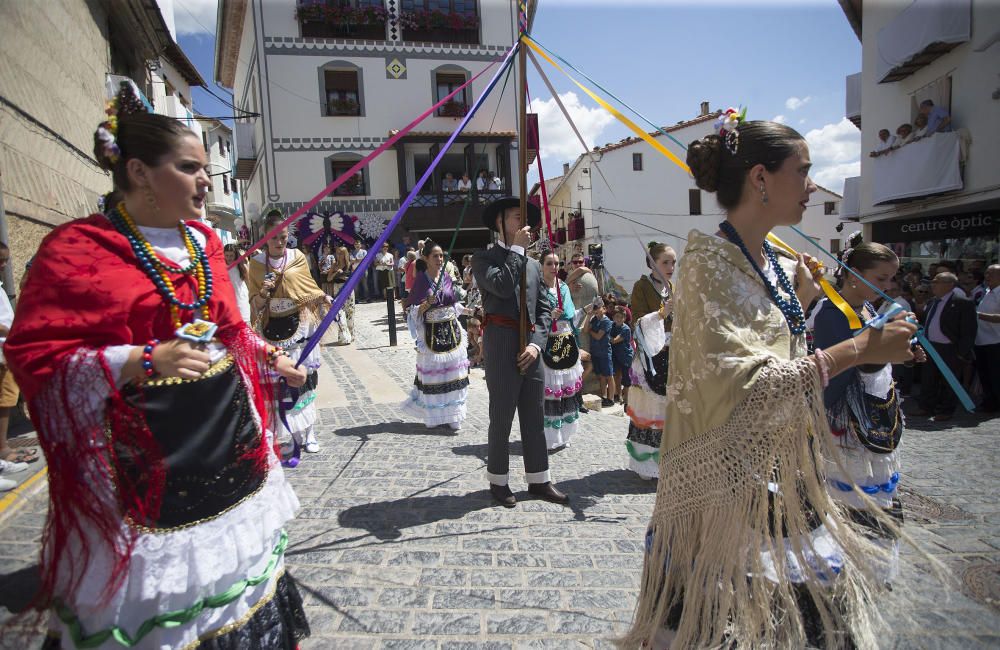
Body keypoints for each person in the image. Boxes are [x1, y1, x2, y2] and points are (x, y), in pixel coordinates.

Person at [5, 85, 310, 647]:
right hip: (139, 456)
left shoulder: (205, 245)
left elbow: (230, 329)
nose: (204, 180)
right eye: (189, 167)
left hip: (224, 435)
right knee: (162, 594)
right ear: (141, 172)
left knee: (234, 573)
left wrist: (274, 359)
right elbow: (36, 354)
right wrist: (142, 358)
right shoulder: (78, 251)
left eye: (204, 168)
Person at [624, 119, 917, 648]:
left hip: (788, 479)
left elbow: (773, 352)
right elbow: (742, 386)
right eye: (803, 172)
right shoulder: (706, 267)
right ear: (760, 177)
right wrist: (860, 350)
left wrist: (803, 302)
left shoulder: (776, 264)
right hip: (725, 494)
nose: (811, 186)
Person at [812, 242, 924, 586]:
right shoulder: (832, 311)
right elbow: (836, 371)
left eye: (891, 278)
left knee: (872, 496)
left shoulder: (867, 311)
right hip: (845, 424)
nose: (888, 285)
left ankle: (867, 567)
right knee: (849, 496)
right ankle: (849, 569)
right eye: (881, 277)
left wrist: (904, 352)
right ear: (857, 275)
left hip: (870, 419)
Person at [471, 196, 568, 508]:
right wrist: (516, 250)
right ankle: (498, 480)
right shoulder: (483, 260)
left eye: (525, 220)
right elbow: (500, 285)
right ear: (499, 223)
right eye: (516, 218)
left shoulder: (533, 266)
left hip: (530, 348)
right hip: (501, 345)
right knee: (501, 417)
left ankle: (539, 479)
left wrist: (536, 344)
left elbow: (544, 310)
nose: (524, 225)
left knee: (534, 417)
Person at [248, 211, 335, 455]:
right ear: (265, 238)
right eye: (275, 237)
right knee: (279, 385)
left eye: (284, 237)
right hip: (271, 326)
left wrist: (325, 299)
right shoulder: (255, 265)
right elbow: (253, 303)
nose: (280, 242)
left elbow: (309, 287)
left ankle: (309, 433)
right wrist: (263, 293)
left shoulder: (297, 257)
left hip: (300, 325)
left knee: (304, 380)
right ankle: (286, 435)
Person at [400, 240, 469, 431]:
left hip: (451, 332)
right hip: (432, 335)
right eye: (435, 256)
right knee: (436, 377)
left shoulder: (446, 276)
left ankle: (453, 415)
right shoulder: (421, 280)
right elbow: (413, 310)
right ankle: (435, 416)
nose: (440, 259)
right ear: (426, 258)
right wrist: (425, 304)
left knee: (453, 373)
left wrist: (472, 311)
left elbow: (453, 305)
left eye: (441, 256)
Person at [625, 241, 676, 481]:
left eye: (674, 262)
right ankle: (646, 461)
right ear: (653, 263)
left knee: (668, 410)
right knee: (650, 407)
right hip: (649, 357)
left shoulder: (673, 288)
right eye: (666, 262)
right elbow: (636, 322)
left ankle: (666, 459)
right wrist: (660, 315)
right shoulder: (641, 287)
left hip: (672, 355)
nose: (671, 266)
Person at [915, 272, 977, 422]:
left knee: (949, 381)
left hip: (950, 348)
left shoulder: (963, 302)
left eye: (937, 282)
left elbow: (969, 330)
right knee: (929, 378)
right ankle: (926, 406)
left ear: (949, 285)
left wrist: (962, 352)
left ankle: (946, 410)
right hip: (931, 346)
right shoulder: (932, 302)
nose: (933, 284)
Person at [540, 251, 583, 451]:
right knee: (552, 391)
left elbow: (571, 317)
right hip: (548, 343)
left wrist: (587, 311)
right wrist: (549, 316)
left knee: (567, 390)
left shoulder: (564, 287)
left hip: (567, 341)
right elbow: (533, 318)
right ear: (542, 266)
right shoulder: (537, 290)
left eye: (557, 263)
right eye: (549, 263)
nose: (554, 267)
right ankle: (549, 437)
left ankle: (565, 433)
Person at [974, 265, 1000, 413]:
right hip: (981, 341)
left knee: (995, 375)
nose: (987, 276)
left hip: (996, 341)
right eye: (986, 273)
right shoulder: (987, 292)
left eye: (992, 274)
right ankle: (989, 401)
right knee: (985, 374)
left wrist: (978, 315)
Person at [588, 300, 615, 407]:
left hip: (604, 352)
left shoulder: (607, 321)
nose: (595, 310)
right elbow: (586, 329)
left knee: (609, 375)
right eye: (594, 308)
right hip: (595, 352)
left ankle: (611, 398)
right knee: (601, 376)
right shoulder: (594, 319)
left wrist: (590, 331)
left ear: (603, 308)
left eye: (597, 308)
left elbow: (598, 336)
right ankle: (604, 396)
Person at [331, 243, 355, 344]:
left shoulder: (350, 265)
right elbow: (329, 278)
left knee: (350, 312)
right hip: (337, 289)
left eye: (341, 253)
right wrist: (337, 273)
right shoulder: (335, 265)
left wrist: (346, 278)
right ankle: (342, 337)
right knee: (339, 313)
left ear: (345, 254)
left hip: (348, 289)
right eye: (338, 253)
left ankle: (351, 334)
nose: (339, 255)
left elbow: (354, 278)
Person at [610, 307, 633, 406]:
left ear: (624, 318)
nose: (619, 319)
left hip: (625, 356)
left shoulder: (626, 329)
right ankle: (618, 395)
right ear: (613, 318)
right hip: (616, 355)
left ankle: (627, 399)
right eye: (617, 317)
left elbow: (614, 340)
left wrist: (605, 334)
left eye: (621, 317)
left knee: (626, 379)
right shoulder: (612, 326)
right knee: (617, 376)